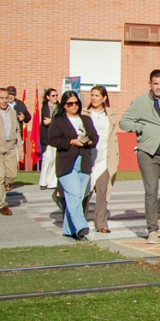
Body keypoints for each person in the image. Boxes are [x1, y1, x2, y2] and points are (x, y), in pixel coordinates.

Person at [119, 69, 160, 244]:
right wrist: (142, 128)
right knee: (151, 191)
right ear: (150, 84)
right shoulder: (140, 102)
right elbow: (124, 122)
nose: (158, 87)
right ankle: (152, 230)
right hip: (147, 153)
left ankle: (156, 215)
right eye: (155, 83)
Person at [48, 91, 98, 240]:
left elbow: (95, 137)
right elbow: (52, 140)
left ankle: (69, 229)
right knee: (74, 194)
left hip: (84, 162)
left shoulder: (86, 119)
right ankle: (81, 226)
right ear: (64, 105)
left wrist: (88, 141)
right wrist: (71, 141)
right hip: (67, 163)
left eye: (76, 103)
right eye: (70, 104)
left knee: (77, 197)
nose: (74, 106)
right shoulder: (59, 121)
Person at [81, 86, 119, 233]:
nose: (94, 98)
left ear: (104, 98)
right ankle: (80, 222)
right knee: (85, 192)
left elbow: (113, 136)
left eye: (97, 95)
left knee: (103, 192)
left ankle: (101, 223)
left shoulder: (109, 114)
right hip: (88, 158)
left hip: (105, 158)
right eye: (92, 95)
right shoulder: (84, 113)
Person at [5, 86, 31, 192]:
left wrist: (24, 118)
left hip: (16, 137)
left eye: (13, 94)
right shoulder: (3, 105)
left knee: (14, 161)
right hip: (4, 138)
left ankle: (7, 181)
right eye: (9, 94)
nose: (10, 96)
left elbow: (28, 117)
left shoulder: (20, 104)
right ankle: (5, 183)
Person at [0, 88, 19, 215]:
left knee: (12, 175)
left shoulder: (12, 112)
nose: (4, 100)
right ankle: (2, 205)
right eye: (1, 98)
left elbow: (17, 131)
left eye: (6, 98)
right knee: (0, 177)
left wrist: (20, 148)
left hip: (10, 147)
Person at [38, 88, 60, 190]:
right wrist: (53, 121)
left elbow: (61, 120)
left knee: (55, 159)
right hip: (47, 136)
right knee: (47, 158)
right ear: (48, 97)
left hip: (57, 136)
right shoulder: (45, 108)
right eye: (53, 95)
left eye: (56, 95)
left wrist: (52, 121)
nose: (55, 97)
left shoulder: (60, 108)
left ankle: (52, 182)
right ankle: (43, 182)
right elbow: (45, 122)